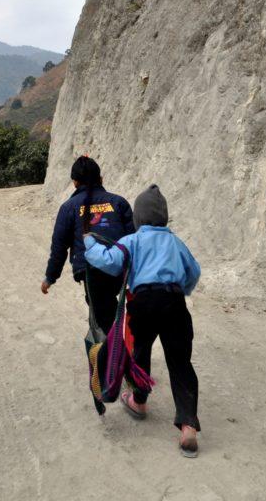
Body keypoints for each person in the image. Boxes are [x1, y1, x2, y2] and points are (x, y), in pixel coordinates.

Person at [82, 184, 203, 458]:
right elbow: (193, 272)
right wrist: (181, 287)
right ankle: (188, 428)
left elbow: (110, 262)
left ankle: (138, 401)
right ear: (164, 217)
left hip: (143, 303)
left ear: (138, 217)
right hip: (174, 303)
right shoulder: (176, 242)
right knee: (180, 362)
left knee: (139, 354)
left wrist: (89, 243)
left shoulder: (132, 240)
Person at [41, 156, 134, 334]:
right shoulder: (119, 203)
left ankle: (112, 354)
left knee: (103, 315)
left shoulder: (69, 207)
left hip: (92, 272)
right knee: (107, 307)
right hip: (120, 267)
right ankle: (116, 345)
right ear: (101, 179)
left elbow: (59, 247)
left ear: (75, 182)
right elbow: (134, 239)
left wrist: (50, 277)